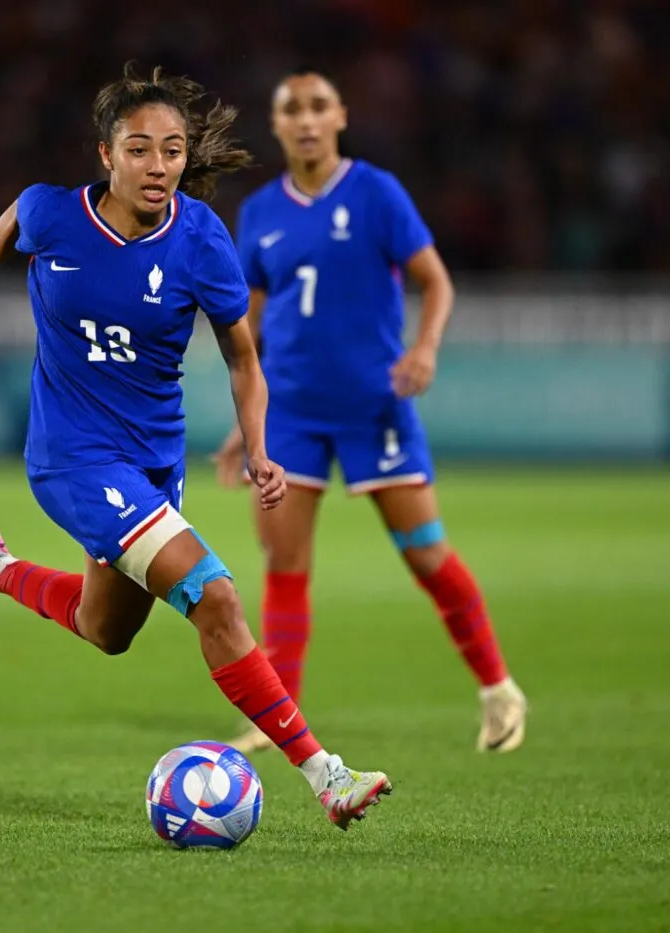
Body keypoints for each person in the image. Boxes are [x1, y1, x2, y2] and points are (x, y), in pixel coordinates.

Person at [0, 63, 391, 831]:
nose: (158, 165)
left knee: (108, 631)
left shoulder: (200, 237)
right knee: (218, 596)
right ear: (106, 156)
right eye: (139, 149)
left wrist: (259, 447)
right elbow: (14, 217)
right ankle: (326, 774)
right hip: (72, 457)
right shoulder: (54, 215)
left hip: (152, 462)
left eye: (171, 150)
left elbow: (241, 356)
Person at [211, 70, 527, 754]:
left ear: (340, 117)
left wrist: (426, 348)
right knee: (285, 564)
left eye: (318, 106)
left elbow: (435, 279)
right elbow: (250, 325)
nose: (306, 119)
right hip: (291, 407)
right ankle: (279, 716)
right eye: (291, 108)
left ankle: (499, 687)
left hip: (372, 406)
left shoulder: (378, 193)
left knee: (425, 554)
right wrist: (246, 426)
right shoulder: (261, 211)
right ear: (277, 124)